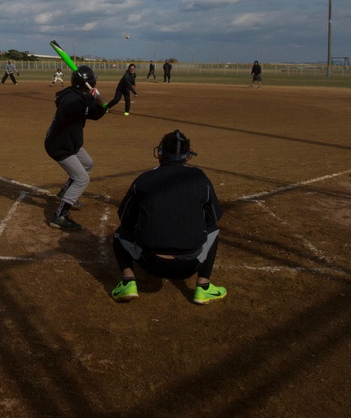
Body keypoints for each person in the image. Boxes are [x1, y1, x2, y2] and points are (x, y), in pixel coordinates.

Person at [110, 130, 227, 305]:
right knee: (213, 231)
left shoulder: (144, 179)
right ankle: (203, 287)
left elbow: (125, 218)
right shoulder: (199, 177)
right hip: (189, 264)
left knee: (120, 233)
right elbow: (214, 217)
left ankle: (128, 282)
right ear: (188, 157)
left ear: (160, 154)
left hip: (150, 262)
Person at [44, 65, 106, 231]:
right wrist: (89, 98)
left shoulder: (81, 96)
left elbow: (94, 114)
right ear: (88, 83)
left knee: (88, 164)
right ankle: (59, 215)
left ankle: (65, 192)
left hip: (71, 142)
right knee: (82, 179)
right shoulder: (71, 97)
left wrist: (100, 104)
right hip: (60, 145)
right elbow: (67, 108)